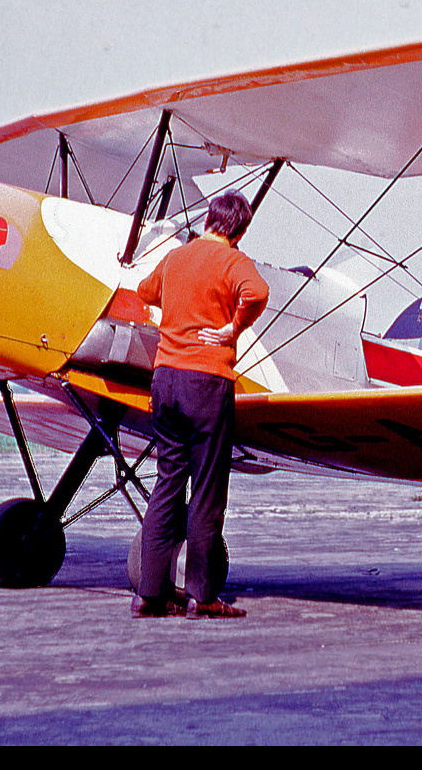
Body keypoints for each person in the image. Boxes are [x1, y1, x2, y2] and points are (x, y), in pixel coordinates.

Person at [131, 192, 269, 619]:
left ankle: (149, 594)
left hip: (164, 380)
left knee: (167, 483)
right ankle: (202, 596)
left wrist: (179, 310)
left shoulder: (176, 257)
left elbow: (144, 290)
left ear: (209, 220)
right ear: (240, 230)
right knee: (207, 490)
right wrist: (232, 327)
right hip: (207, 381)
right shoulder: (233, 261)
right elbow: (258, 293)